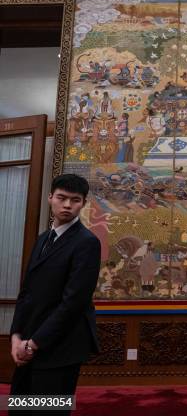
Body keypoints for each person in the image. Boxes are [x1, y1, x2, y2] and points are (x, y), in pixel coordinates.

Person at [9, 174, 101, 414]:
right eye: (61, 198)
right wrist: (16, 336)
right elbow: (27, 291)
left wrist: (34, 344)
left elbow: (74, 303)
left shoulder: (87, 242)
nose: (67, 205)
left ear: (83, 203)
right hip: (28, 339)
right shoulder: (43, 239)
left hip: (61, 346)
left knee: (50, 411)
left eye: (75, 200)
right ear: (50, 198)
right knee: (19, 407)